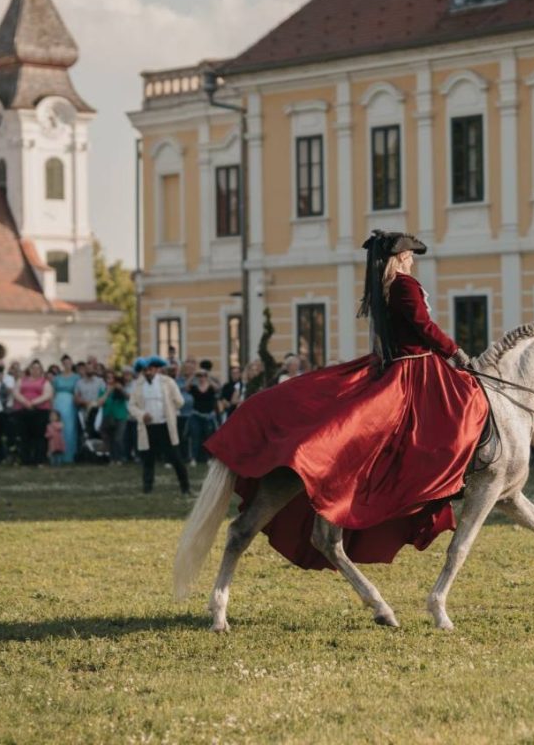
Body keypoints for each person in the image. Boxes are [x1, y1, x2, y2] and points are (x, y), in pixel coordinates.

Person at [204, 230, 488, 570]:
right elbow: (423, 326)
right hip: (415, 369)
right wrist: (456, 353)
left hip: (399, 365)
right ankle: (454, 475)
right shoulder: (404, 285)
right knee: (466, 406)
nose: (412, 261)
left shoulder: (383, 288)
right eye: (410, 255)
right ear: (400, 257)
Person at [128, 356, 191, 495]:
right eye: (145, 370)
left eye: (150, 369)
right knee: (148, 459)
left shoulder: (167, 382)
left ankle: (185, 487)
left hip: (165, 426)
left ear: (156, 369)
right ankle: (147, 488)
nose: (147, 372)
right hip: (148, 427)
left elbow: (179, 401)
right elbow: (131, 406)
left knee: (175, 458)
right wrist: (142, 415)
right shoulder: (138, 385)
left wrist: (170, 411)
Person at [13, 360, 53, 467]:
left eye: (38, 368)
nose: (35, 370)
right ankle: (25, 460)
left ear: (41, 370)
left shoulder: (45, 382)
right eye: (33, 368)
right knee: (24, 436)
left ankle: (39, 460)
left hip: (40, 411)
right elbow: (16, 392)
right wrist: (25, 402)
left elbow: (47, 394)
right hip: (22, 410)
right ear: (29, 369)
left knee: (39, 436)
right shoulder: (21, 380)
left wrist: (33, 403)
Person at [50, 356, 78, 464]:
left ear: (71, 363)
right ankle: (57, 455)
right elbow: (53, 392)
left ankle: (69, 456)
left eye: (69, 363)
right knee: (57, 428)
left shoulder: (76, 377)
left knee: (69, 429)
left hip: (70, 404)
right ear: (62, 364)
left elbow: (77, 391)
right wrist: (52, 406)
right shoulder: (57, 378)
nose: (67, 365)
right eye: (65, 363)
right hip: (58, 403)